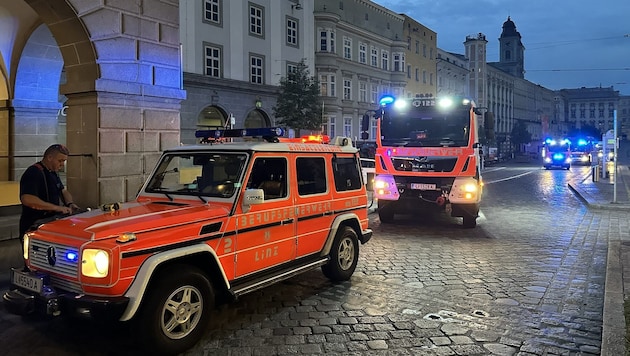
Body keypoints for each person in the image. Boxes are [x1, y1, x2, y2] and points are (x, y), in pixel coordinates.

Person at [19, 144, 80, 253]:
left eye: (64, 161)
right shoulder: (33, 172)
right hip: (34, 225)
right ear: (49, 157)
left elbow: (63, 190)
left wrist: (70, 203)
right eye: (60, 161)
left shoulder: (52, 173)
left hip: (50, 224)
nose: (62, 164)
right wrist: (56, 208)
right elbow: (27, 199)